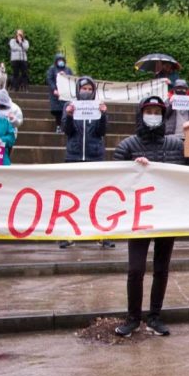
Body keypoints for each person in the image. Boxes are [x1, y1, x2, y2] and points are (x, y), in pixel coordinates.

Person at [112, 96, 187, 337]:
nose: (153, 115)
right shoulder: (127, 146)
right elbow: (115, 180)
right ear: (141, 114)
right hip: (139, 216)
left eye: (157, 111)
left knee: (161, 269)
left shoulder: (176, 145)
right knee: (135, 269)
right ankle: (133, 318)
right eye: (149, 111)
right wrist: (133, 168)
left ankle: (155, 317)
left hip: (167, 214)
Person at [60, 77, 114, 250]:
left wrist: (103, 115)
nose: (87, 91)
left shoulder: (98, 106)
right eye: (84, 88)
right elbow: (67, 130)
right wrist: (69, 115)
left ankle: (101, 235)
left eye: (90, 89)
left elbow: (102, 131)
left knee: (97, 197)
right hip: (74, 156)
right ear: (78, 90)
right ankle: (69, 235)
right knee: (71, 197)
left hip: (95, 156)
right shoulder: (69, 105)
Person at [46, 53, 72, 133]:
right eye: (59, 60)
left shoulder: (68, 69)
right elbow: (49, 79)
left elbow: (71, 78)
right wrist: (54, 89)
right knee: (57, 111)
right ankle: (58, 126)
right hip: (56, 94)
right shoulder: (52, 69)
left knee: (65, 110)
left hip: (65, 93)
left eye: (62, 60)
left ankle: (64, 126)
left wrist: (65, 75)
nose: (61, 62)